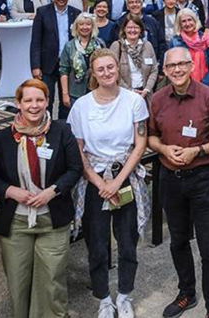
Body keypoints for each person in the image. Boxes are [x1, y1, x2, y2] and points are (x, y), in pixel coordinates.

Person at [149, 47, 209, 318]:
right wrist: (164, 150)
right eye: (171, 66)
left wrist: (197, 151)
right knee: (178, 240)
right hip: (170, 180)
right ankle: (186, 293)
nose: (176, 70)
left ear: (191, 66)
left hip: (203, 179)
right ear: (164, 70)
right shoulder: (156, 99)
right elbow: (151, 137)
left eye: (182, 64)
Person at [0, 79, 81, 318]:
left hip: (52, 219)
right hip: (16, 221)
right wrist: (11, 191)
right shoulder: (2, 138)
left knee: (52, 280)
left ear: (48, 102)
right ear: (18, 104)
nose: (34, 105)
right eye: (28, 100)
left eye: (40, 100)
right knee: (18, 282)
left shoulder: (62, 131)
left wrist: (53, 190)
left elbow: (74, 169)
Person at [69, 50, 150, 318]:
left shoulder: (134, 102)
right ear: (93, 73)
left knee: (127, 241)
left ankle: (125, 294)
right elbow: (78, 150)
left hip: (123, 176)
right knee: (97, 242)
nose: (106, 73)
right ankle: (104, 297)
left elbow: (140, 144)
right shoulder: (81, 106)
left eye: (110, 67)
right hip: (94, 180)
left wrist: (116, 182)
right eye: (100, 69)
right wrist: (99, 182)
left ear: (118, 68)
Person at [31, 0, 81, 114]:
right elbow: (35, 41)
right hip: (47, 64)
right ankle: (44, 127)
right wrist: (35, 66)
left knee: (66, 101)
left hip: (68, 64)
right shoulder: (42, 12)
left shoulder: (75, 13)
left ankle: (62, 129)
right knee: (46, 99)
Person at [58, 13, 103, 112]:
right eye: (81, 24)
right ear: (76, 27)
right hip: (76, 92)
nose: (85, 27)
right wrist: (65, 94)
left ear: (93, 26)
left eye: (88, 24)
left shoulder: (99, 44)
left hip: (96, 91)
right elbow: (64, 71)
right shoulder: (69, 46)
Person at [110, 14, 159, 94]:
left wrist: (147, 89)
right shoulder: (117, 46)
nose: (132, 30)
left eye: (136, 27)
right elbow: (113, 72)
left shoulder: (147, 46)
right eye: (129, 27)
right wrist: (130, 92)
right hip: (123, 94)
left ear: (141, 30)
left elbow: (154, 70)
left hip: (145, 93)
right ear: (124, 29)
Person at [170, 9, 209, 85]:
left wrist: (204, 84)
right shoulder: (175, 41)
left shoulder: (206, 39)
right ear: (179, 24)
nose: (187, 24)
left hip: (206, 84)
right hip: (183, 85)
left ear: (195, 21)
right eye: (183, 21)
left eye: (190, 20)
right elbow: (172, 66)